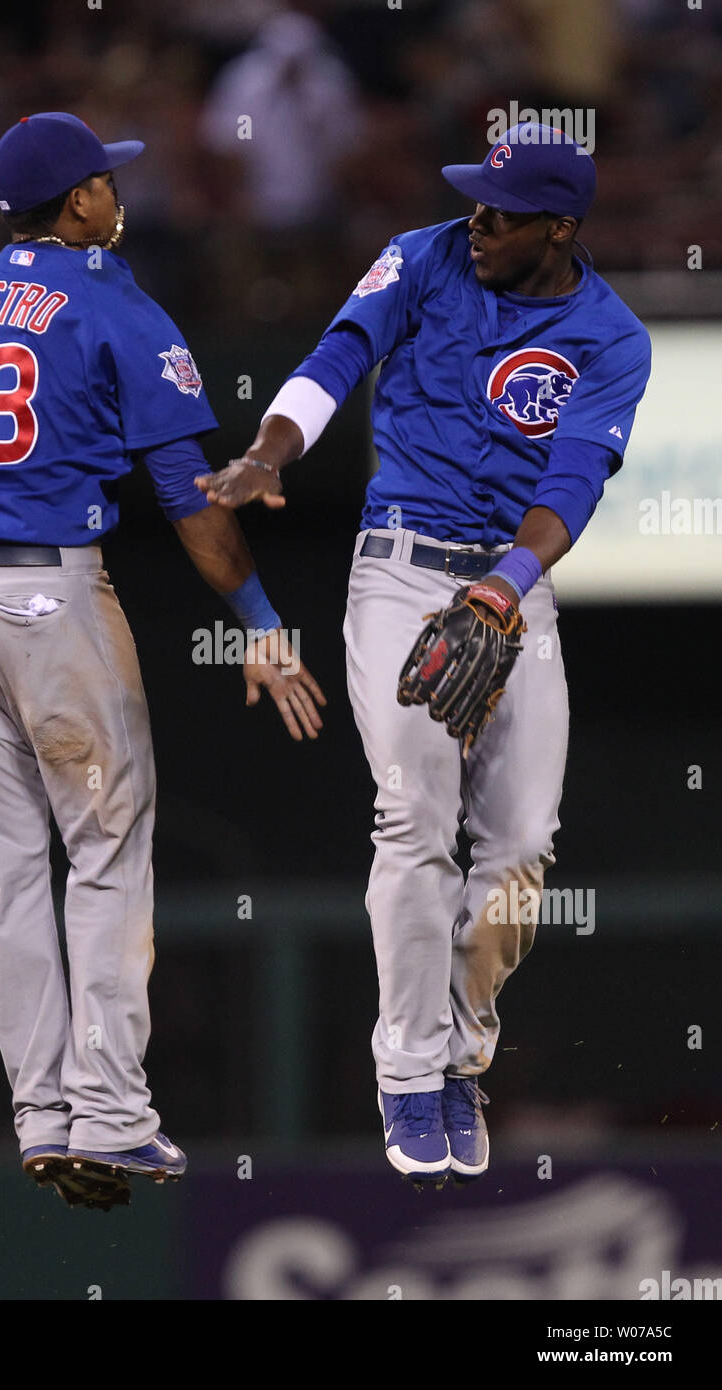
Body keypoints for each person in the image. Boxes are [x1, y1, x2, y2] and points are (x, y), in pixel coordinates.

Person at [198, 123, 651, 1187]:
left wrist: (503, 588)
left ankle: (456, 1051)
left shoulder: (610, 334)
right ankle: (406, 1068)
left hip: (512, 588)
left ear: (560, 226)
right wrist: (270, 449)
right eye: (474, 201)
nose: (477, 221)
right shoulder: (423, 254)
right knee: (412, 817)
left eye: (500, 210)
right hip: (400, 571)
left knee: (521, 847)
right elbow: (337, 354)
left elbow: (572, 481)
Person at [0, 112, 325, 1209]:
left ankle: (41, 1116)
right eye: (104, 180)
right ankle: (113, 1117)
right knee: (102, 850)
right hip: (44, 595)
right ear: (75, 202)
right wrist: (264, 620)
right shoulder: (109, 299)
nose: (116, 194)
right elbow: (188, 499)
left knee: (6, 872)